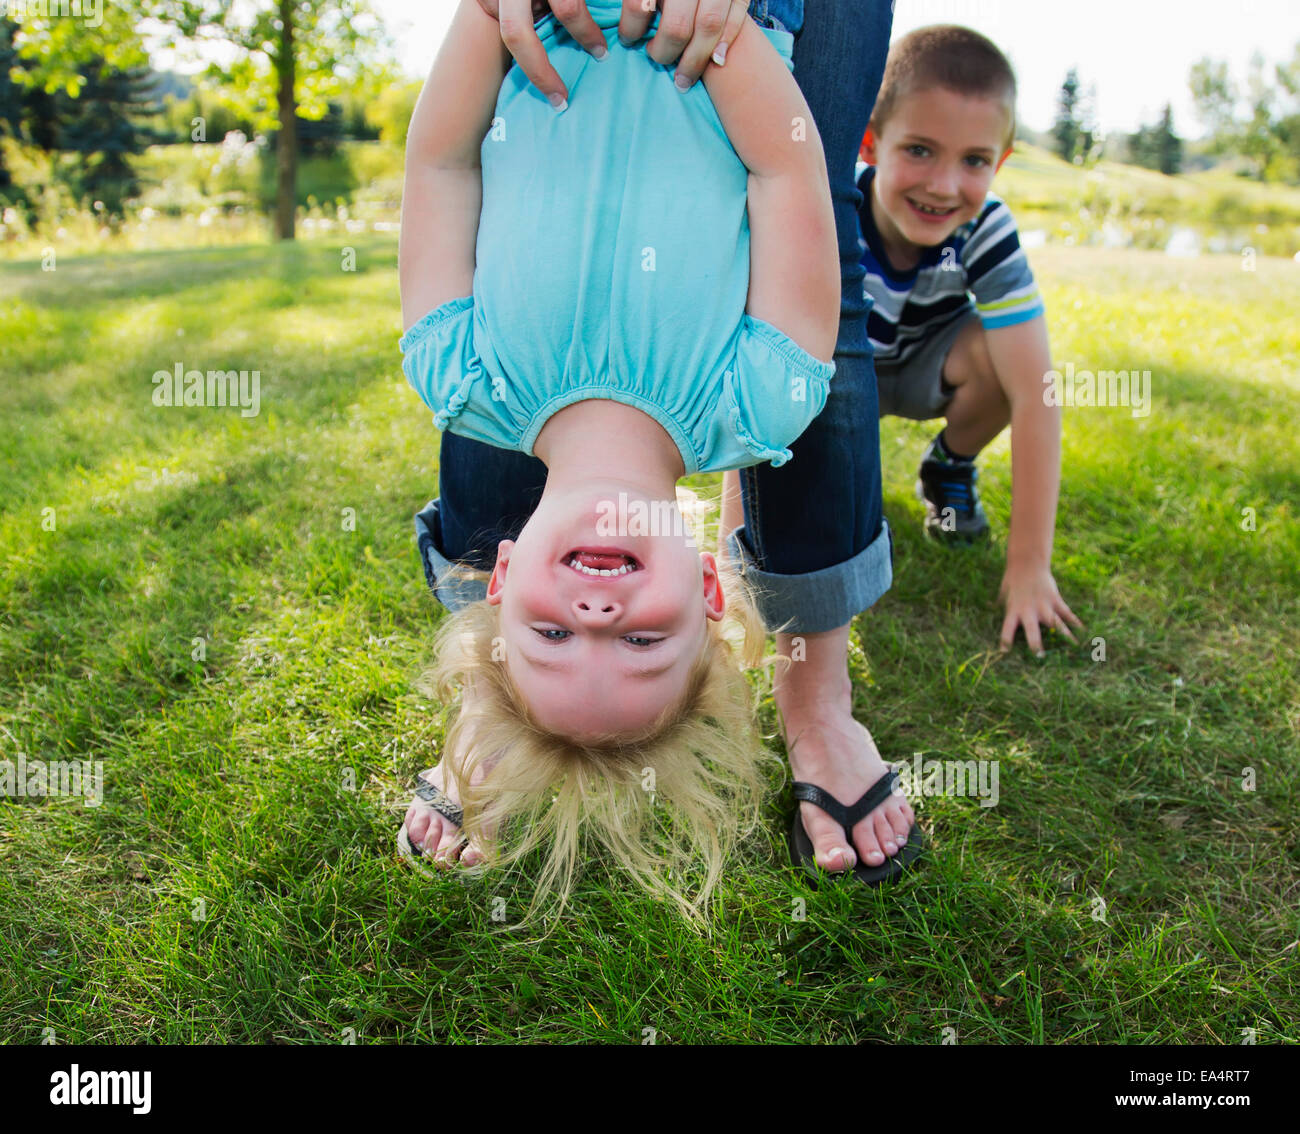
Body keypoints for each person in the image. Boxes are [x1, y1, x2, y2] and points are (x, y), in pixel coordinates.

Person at [402, 0, 922, 904]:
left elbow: (440, 166)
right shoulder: (764, 397)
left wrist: (489, 12)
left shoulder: (458, 374)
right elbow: (788, 166)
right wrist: (721, 28)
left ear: (502, 577)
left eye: (552, 634)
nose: (597, 610)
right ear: (711, 592)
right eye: (641, 638)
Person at [854, 24, 1083, 656]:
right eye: (920, 150)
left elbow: (1037, 393)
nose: (944, 185)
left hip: (934, 366)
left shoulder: (985, 228)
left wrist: (1030, 564)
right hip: (841, 378)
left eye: (974, 161)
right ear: (872, 142)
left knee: (1006, 358)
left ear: (999, 163)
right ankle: (840, 477)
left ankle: (949, 467)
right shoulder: (834, 203)